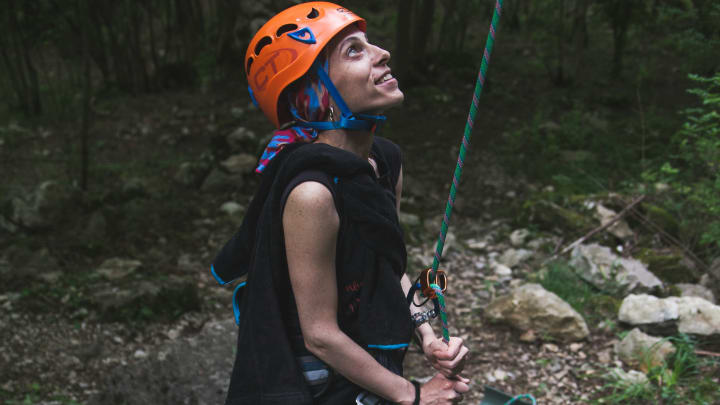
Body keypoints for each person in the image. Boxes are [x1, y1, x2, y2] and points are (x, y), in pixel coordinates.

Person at [211, 3, 470, 404]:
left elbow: (389, 264)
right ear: (316, 97)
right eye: (354, 51)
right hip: (319, 386)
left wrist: (428, 337)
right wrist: (414, 394)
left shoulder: (384, 162)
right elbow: (320, 335)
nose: (381, 52)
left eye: (369, 44)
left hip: (372, 364)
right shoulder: (312, 193)